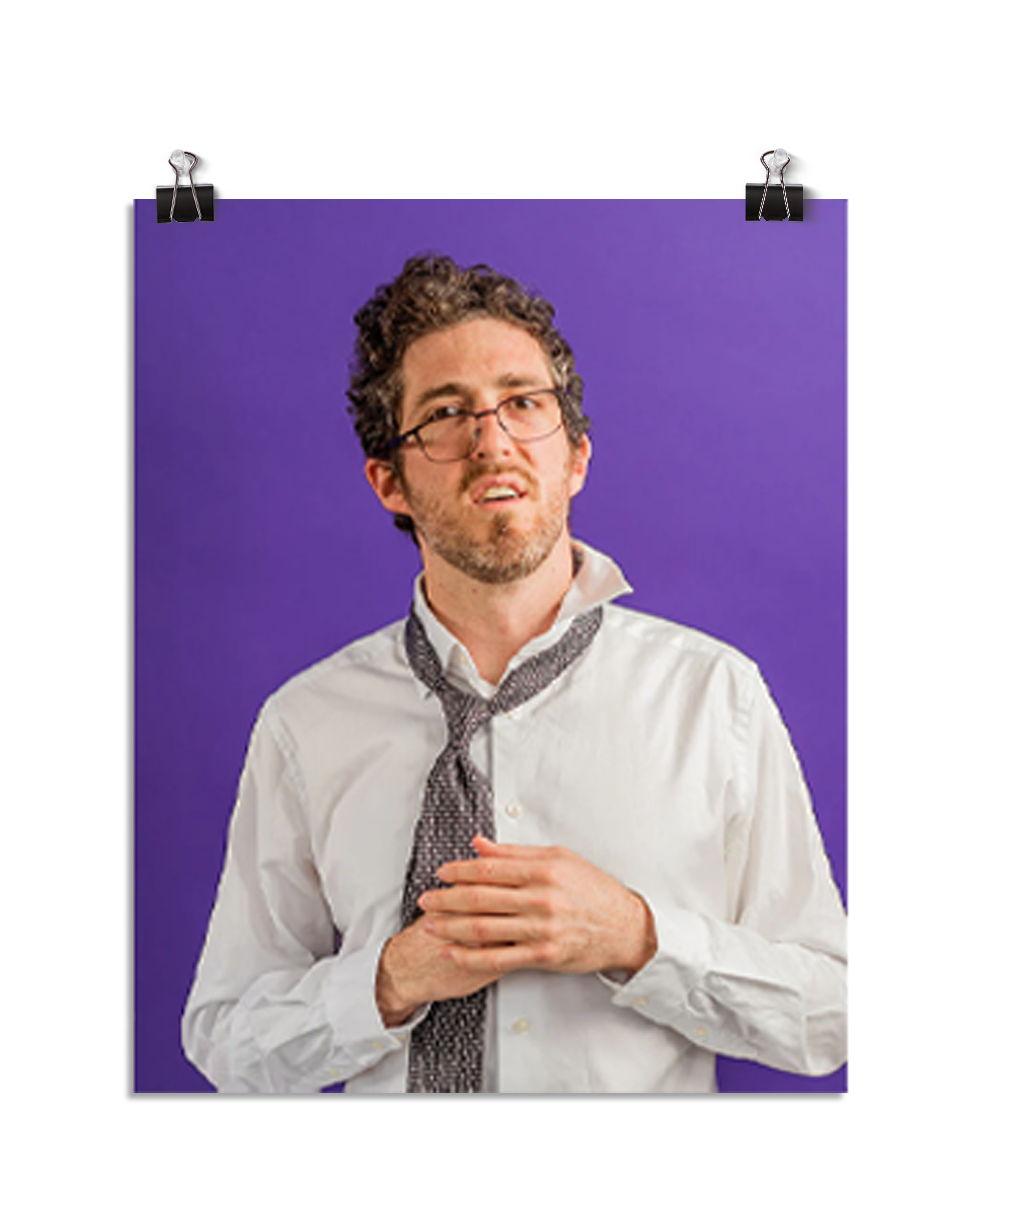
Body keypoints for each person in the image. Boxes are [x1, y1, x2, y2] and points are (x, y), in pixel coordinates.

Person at [181, 253, 847, 1094]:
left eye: (522, 404)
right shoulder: (305, 725)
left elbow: (833, 1014)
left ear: (574, 458)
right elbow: (228, 1041)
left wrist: (641, 939)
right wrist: (386, 985)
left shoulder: (714, 698)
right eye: (447, 413)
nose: (491, 440)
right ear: (389, 481)